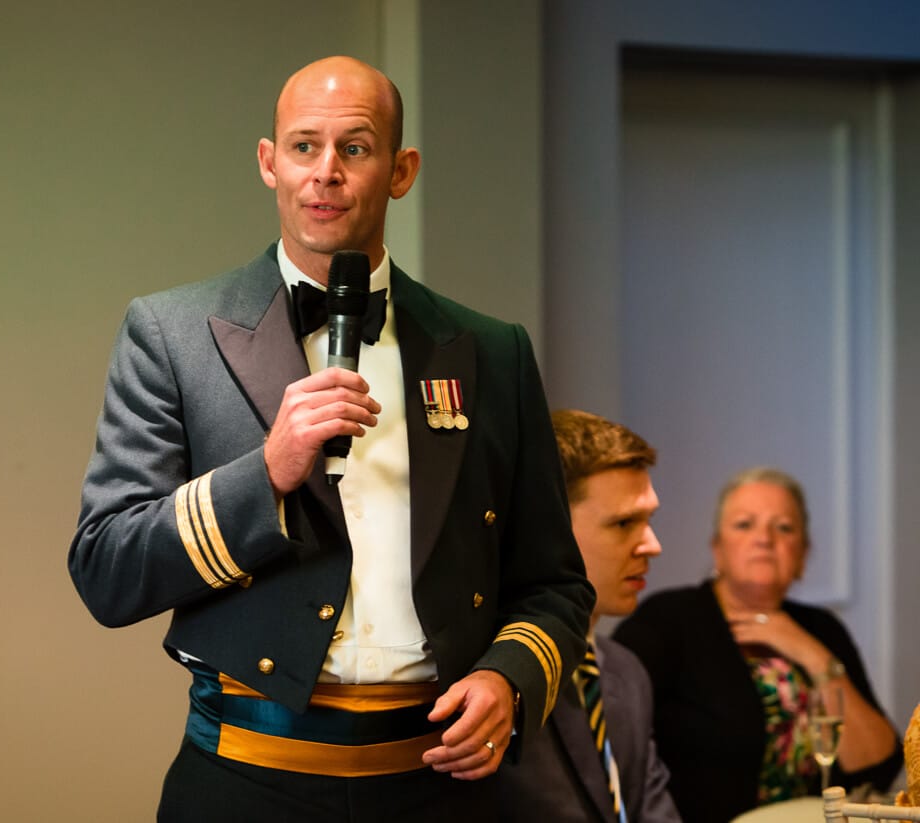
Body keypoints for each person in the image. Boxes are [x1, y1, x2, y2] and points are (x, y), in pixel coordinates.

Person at [67, 55, 594, 821]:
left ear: (401, 169)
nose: (326, 173)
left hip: (440, 786)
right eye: (304, 146)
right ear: (268, 162)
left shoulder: (490, 350)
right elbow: (106, 569)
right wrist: (267, 473)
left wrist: (510, 676)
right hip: (243, 782)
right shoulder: (172, 333)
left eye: (355, 147)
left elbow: (555, 580)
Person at [613, 466, 903, 823]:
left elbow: (877, 761)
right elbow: (613, 748)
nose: (765, 538)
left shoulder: (821, 628)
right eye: (745, 524)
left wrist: (810, 654)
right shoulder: (667, 620)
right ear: (717, 549)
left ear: (803, 555)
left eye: (783, 527)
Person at [500, 409, 681, 823]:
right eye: (623, 523)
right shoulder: (491, 674)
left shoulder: (625, 670)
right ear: (548, 530)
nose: (652, 545)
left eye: (647, 520)